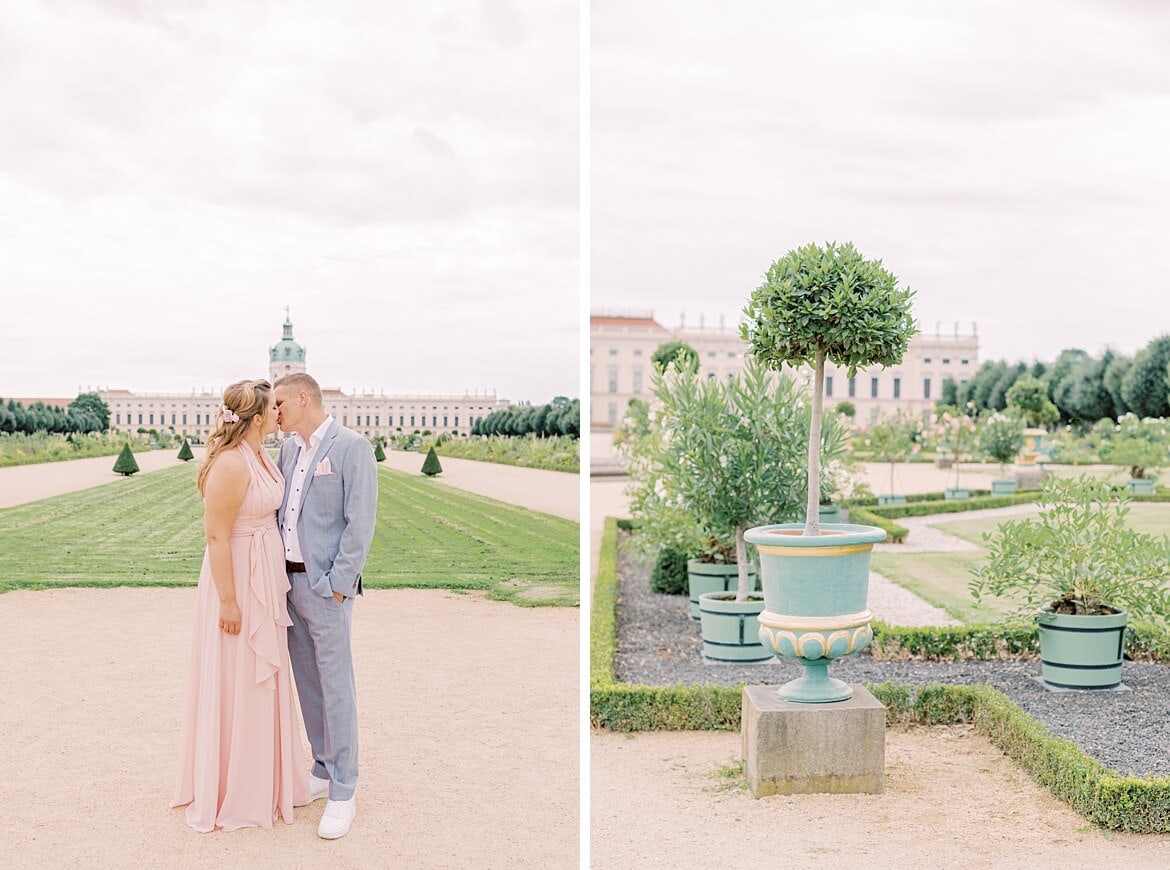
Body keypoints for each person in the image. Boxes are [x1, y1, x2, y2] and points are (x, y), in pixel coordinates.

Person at [171, 379, 309, 831]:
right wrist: (229, 602)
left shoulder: (262, 454)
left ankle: (264, 781)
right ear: (254, 419)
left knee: (261, 680)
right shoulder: (231, 464)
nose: (279, 413)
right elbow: (216, 535)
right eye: (273, 408)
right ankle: (237, 787)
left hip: (263, 575)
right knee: (241, 677)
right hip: (238, 582)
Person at [273, 373, 378, 840]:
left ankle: (344, 790)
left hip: (324, 588)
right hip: (288, 585)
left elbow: (360, 523)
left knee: (336, 687)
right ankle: (320, 766)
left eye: (278, 402)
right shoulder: (289, 449)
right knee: (308, 683)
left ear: (302, 398)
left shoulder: (352, 447)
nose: (273, 411)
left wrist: (337, 585)